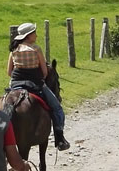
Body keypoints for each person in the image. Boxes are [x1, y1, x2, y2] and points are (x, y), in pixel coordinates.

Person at [6, 22, 70, 151]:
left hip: (15, 84)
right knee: (57, 107)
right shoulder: (36, 49)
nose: (36, 35)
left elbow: (9, 72)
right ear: (28, 36)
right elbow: (45, 72)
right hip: (35, 84)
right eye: (34, 33)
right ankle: (59, 138)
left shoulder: (14, 50)